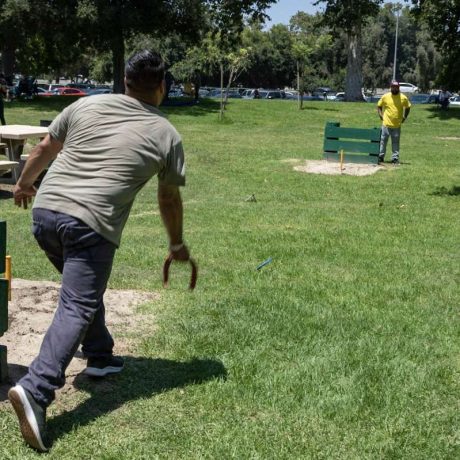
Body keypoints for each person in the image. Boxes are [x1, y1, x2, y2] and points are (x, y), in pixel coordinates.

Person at [8, 50, 192, 452]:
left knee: (82, 291)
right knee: (77, 303)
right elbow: (169, 200)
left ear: (125, 80)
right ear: (162, 87)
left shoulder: (85, 104)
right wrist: (176, 244)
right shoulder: (167, 134)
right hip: (90, 225)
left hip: (45, 215)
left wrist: (23, 183)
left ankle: (100, 354)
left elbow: (44, 147)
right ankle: (36, 390)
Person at [377, 80, 411, 165]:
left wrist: (405, 117)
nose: (394, 88)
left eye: (396, 87)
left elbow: (408, 107)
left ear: (398, 88)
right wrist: (380, 115)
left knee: (395, 142)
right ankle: (381, 157)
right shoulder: (385, 96)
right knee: (383, 141)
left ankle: (395, 159)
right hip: (386, 124)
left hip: (397, 125)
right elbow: (379, 106)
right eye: (393, 87)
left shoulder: (403, 97)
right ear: (391, 87)